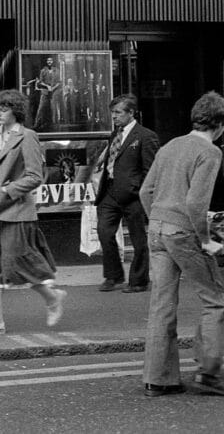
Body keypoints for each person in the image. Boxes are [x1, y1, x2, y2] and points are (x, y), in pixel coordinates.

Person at [140, 91, 224, 397]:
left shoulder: (171, 145)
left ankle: (158, 379)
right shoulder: (210, 152)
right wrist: (206, 241)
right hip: (184, 233)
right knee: (216, 298)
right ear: (220, 124)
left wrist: (159, 221)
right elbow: (195, 202)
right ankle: (210, 374)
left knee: (162, 302)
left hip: (158, 230)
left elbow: (145, 192)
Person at [0, 89, 66, 336]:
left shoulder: (27, 136)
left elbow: (35, 176)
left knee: (16, 263)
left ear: (16, 111)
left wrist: (9, 190)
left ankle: (53, 298)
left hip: (16, 209)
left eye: (4, 108)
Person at [95, 94, 159, 293]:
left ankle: (139, 281)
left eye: (118, 113)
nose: (114, 116)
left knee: (138, 238)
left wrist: (141, 190)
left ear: (131, 113)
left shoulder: (146, 136)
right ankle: (113, 276)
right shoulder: (115, 134)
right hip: (110, 191)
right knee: (104, 232)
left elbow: (151, 169)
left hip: (134, 195)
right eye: (112, 112)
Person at [34, 56, 60, 132]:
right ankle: (37, 124)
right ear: (46, 62)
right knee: (41, 108)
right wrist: (47, 86)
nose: (49, 62)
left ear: (53, 62)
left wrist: (53, 88)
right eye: (48, 60)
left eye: (51, 60)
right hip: (45, 91)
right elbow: (40, 81)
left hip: (54, 92)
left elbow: (59, 82)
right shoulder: (43, 71)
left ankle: (54, 125)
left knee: (53, 108)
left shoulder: (57, 71)